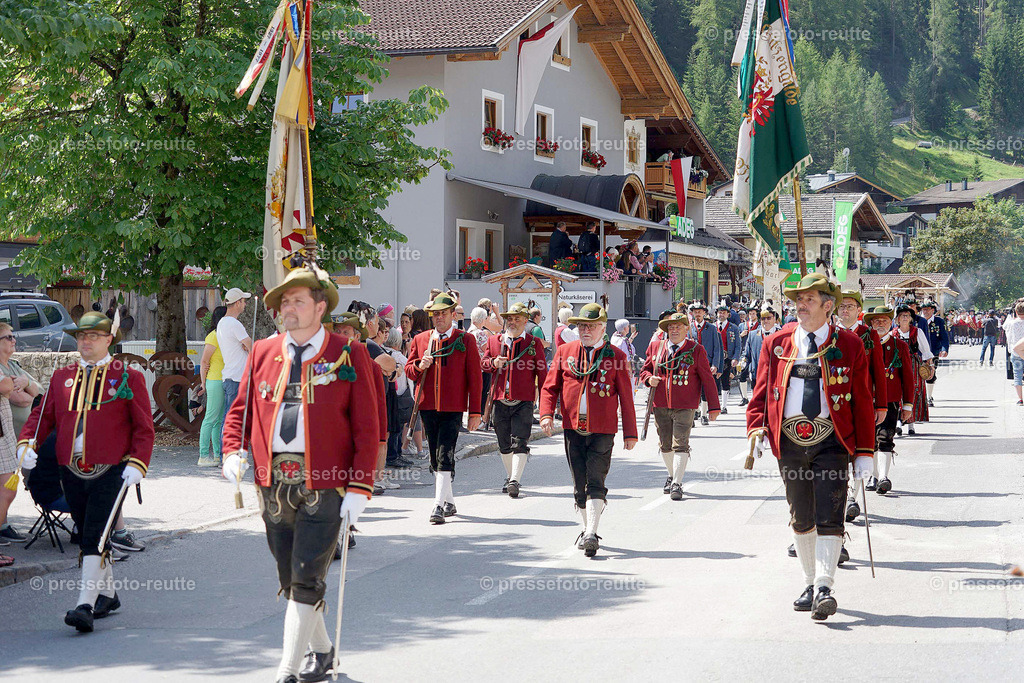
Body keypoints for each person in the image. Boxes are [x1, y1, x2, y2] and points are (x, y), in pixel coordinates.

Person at [221, 265, 377, 682]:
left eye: (297, 301)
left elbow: (367, 426)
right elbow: (239, 411)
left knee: (307, 573)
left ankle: (286, 669)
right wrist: (232, 451)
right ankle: (323, 651)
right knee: (291, 576)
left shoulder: (349, 353)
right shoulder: (262, 351)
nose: (287, 308)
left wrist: (361, 487)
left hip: (326, 482)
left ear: (320, 306)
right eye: (283, 301)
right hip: (272, 483)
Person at [746, 273, 876, 621]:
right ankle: (808, 581)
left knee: (830, 514)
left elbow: (862, 402)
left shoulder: (849, 344)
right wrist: (756, 428)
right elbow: (761, 391)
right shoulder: (775, 342)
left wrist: (865, 452)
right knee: (801, 517)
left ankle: (824, 585)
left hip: (832, 441)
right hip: (789, 441)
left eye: (808, 300)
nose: (800, 306)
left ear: (828, 306)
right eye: (798, 300)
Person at [18, 312, 154, 632]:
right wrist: (27, 443)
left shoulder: (127, 376)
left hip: (113, 470)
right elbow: (42, 417)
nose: (86, 342)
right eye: (81, 336)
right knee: (92, 533)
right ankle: (108, 594)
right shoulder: (61, 377)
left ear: (109, 340)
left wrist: (138, 463)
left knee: (93, 535)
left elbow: (144, 428)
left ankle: (84, 605)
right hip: (71, 469)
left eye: (93, 336)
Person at [540, 303, 637, 558]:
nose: (585, 330)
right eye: (582, 325)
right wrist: (547, 414)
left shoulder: (616, 356)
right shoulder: (565, 351)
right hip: (572, 427)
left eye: (591, 326)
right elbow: (550, 387)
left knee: (596, 480)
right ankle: (586, 528)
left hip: (603, 429)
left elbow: (626, 398)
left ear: (602, 328)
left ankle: (592, 533)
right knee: (578, 483)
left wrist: (630, 433)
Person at [405, 292, 483, 525]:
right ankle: (448, 501)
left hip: (453, 406)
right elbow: (408, 369)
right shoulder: (421, 340)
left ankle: (437, 505)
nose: (439, 318)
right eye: (435, 314)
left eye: (443, 314)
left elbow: (475, 378)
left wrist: (475, 412)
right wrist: (420, 365)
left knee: (444, 453)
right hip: (427, 404)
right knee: (433, 457)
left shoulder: (464, 339)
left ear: (452, 314)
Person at [639, 312, 719, 500]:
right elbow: (645, 369)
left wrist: (714, 407)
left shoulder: (696, 349)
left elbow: (707, 379)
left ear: (686, 329)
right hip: (660, 403)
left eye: (678, 327)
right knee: (665, 445)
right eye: (671, 327)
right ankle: (671, 475)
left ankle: (677, 483)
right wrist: (648, 379)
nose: (674, 330)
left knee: (680, 443)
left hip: (686, 405)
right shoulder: (655, 347)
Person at [481, 302, 547, 498]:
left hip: (524, 400)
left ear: (525, 321)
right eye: (510, 318)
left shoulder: (533, 343)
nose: (512, 322)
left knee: (520, 441)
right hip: (499, 399)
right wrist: (493, 362)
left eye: (517, 318)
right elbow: (483, 364)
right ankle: (510, 476)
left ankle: (514, 481)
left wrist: (546, 407)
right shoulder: (494, 341)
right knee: (503, 444)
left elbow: (542, 373)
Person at [835, 291, 888, 521]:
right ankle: (842, 496)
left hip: (861, 404)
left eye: (849, 306)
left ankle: (851, 498)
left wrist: (882, 405)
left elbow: (879, 371)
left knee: (860, 451)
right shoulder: (830, 333)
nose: (845, 311)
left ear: (859, 311)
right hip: (836, 405)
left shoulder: (869, 335)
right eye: (841, 307)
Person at [863, 306, 915, 496]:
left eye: (884, 320)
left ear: (891, 322)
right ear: (870, 324)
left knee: (885, 438)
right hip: (866, 401)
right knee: (869, 441)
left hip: (891, 401)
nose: (880, 324)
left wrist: (908, 405)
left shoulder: (900, 347)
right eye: (876, 321)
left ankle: (884, 477)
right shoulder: (863, 344)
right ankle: (873, 476)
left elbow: (908, 379)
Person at [0, 323, 42, 545]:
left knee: (21, 481)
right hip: (10, 436)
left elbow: (38, 394)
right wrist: (27, 392)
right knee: (6, 484)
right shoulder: (2, 370)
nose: (13, 340)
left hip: (28, 438)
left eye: (13, 336)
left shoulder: (15, 367)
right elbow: (15, 397)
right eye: (8, 337)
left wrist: (26, 383)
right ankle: (3, 526)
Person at [217, 287, 253, 441]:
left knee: (228, 416)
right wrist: (247, 347)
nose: (245, 304)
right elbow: (252, 346)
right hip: (238, 377)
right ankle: (228, 455)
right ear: (238, 303)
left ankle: (226, 454)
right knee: (233, 419)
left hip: (230, 376)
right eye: (243, 301)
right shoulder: (234, 324)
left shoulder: (222, 323)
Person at [895, 304, 933, 436]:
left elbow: (926, 352)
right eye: (902, 315)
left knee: (913, 393)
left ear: (911, 319)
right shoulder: (893, 333)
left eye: (907, 315)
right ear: (897, 319)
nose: (905, 318)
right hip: (897, 366)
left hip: (913, 366)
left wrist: (930, 367)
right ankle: (899, 423)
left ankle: (911, 425)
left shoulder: (917, 332)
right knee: (898, 393)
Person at [197, 306, 228, 467]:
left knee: (217, 421)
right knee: (210, 419)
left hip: (222, 380)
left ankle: (217, 455)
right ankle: (203, 456)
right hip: (215, 380)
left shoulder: (224, 335)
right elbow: (204, 361)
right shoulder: (214, 336)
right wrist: (203, 383)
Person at [688, 301, 722, 425]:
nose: (697, 314)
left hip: (707, 362)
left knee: (704, 390)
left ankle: (703, 415)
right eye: (695, 312)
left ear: (704, 313)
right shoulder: (689, 328)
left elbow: (717, 347)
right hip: (691, 363)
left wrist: (715, 365)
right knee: (692, 389)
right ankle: (692, 414)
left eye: (699, 312)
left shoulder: (712, 328)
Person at [742, 304, 780, 410]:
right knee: (758, 406)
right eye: (763, 318)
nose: (766, 321)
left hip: (776, 376)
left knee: (774, 406)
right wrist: (743, 362)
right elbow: (747, 354)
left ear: (775, 319)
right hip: (757, 375)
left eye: (769, 318)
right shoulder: (753, 334)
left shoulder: (781, 335)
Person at [919, 300, 948, 407]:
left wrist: (944, 349)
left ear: (932, 310)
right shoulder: (917, 320)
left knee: (930, 374)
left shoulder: (939, 321)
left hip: (933, 352)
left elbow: (944, 336)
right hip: (919, 352)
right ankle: (920, 397)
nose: (925, 311)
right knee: (918, 374)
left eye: (927, 309)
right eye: (923, 309)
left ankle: (929, 397)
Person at [715, 303, 741, 413]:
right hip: (714, 358)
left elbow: (738, 344)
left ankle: (724, 406)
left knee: (725, 381)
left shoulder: (733, 327)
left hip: (727, 358)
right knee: (713, 382)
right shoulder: (712, 327)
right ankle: (713, 405)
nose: (721, 314)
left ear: (728, 314)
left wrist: (735, 358)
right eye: (720, 312)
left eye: (724, 313)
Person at [468, 307, 493, 421]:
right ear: (482, 319)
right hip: (483, 367)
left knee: (474, 394)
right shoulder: (480, 333)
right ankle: (481, 418)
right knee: (483, 394)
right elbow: (487, 349)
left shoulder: (469, 332)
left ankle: (473, 416)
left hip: (471, 367)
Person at [737, 305, 761, 406]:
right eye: (750, 314)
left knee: (754, 376)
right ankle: (744, 397)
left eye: (753, 314)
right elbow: (735, 340)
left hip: (755, 352)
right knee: (742, 375)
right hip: (744, 352)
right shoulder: (742, 326)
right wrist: (740, 335)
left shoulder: (760, 326)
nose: (751, 315)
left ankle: (755, 397)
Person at [610, 319, 638, 390]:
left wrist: (631, 337)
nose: (629, 328)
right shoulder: (624, 340)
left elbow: (625, 346)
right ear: (625, 328)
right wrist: (630, 372)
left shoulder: (614, 337)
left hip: (615, 368)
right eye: (628, 326)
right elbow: (627, 358)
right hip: (624, 371)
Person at [1005, 302, 1024, 406]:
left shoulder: (1012, 323)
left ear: (1016, 312)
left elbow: (1009, 337)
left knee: (1017, 375)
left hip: (1016, 352)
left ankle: (1020, 399)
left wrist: (1010, 350)